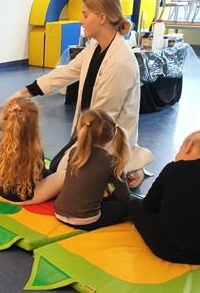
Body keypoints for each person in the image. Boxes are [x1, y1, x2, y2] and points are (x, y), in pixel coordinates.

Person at [13, 0, 153, 188]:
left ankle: (132, 168)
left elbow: (102, 120)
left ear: (102, 17)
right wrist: (26, 92)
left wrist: (74, 153)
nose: (80, 20)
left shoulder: (121, 62)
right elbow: (67, 72)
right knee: (55, 170)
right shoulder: (94, 47)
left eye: (85, 14)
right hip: (87, 130)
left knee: (60, 177)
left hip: (105, 138)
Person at [129, 131, 200, 264]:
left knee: (134, 204)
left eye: (179, 149)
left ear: (189, 146)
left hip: (166, 249)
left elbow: (149, 205)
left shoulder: (173, 168)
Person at [55, 108, 130, 231]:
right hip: (86, 221)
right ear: (112, 135)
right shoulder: (111, 160)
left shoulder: (74, 152)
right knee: (130, 205)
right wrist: (121, 175)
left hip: (59, 212)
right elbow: (124, 196)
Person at [0, 97, 65, 203]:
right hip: (26, 196)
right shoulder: (35, 150)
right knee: (63, 174)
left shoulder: (2, 144)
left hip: (3, 192)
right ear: (34, 126)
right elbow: (40, 176)